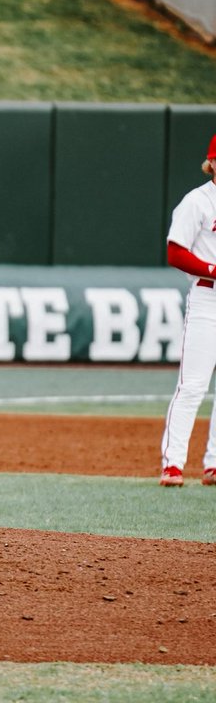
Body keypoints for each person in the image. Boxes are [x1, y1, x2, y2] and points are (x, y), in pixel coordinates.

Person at [159, 133, 216, 487]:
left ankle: (213, 463)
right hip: (207, 299)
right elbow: (175, 251)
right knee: (192, 385)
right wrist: (212, 269)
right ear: (212, 163)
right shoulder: (197, 201)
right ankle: (173, 464)